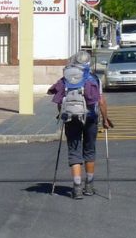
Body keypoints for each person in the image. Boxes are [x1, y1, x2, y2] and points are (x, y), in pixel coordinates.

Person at [47, 50, 114, 199]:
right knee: (89, 151)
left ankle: (77, 188)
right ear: (88, 63)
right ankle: (89, 186)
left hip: (71, 119)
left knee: (74, 152)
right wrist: (105, 119)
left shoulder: (66, 78)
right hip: (90, 118)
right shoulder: (93, 78)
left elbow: (60, 100)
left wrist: (62, 114)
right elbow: (101, 101)